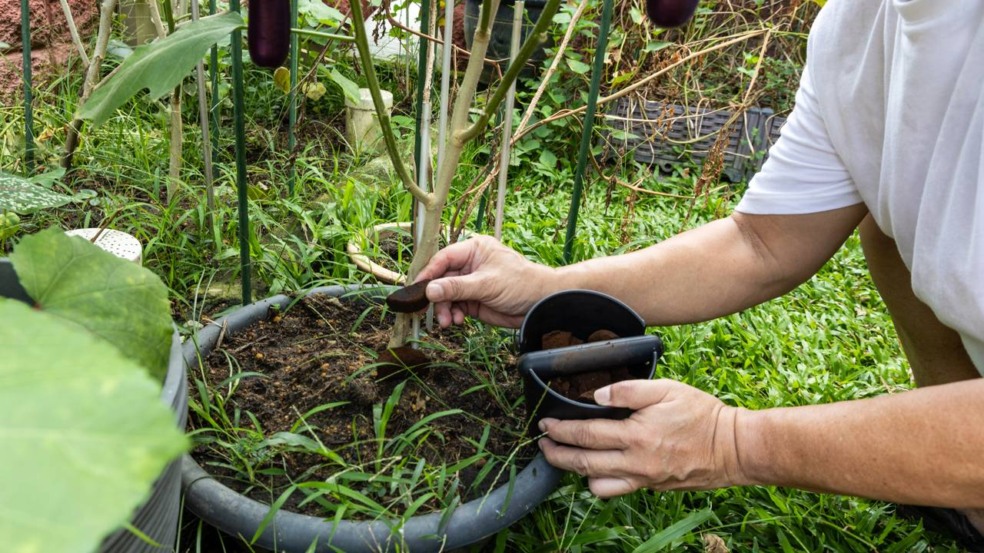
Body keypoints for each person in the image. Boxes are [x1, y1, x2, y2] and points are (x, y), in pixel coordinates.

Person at [413, 0, 984, 548]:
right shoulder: (858, 28)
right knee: (884, 232)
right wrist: (546, 288)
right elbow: (762, 242)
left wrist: (732, 442)